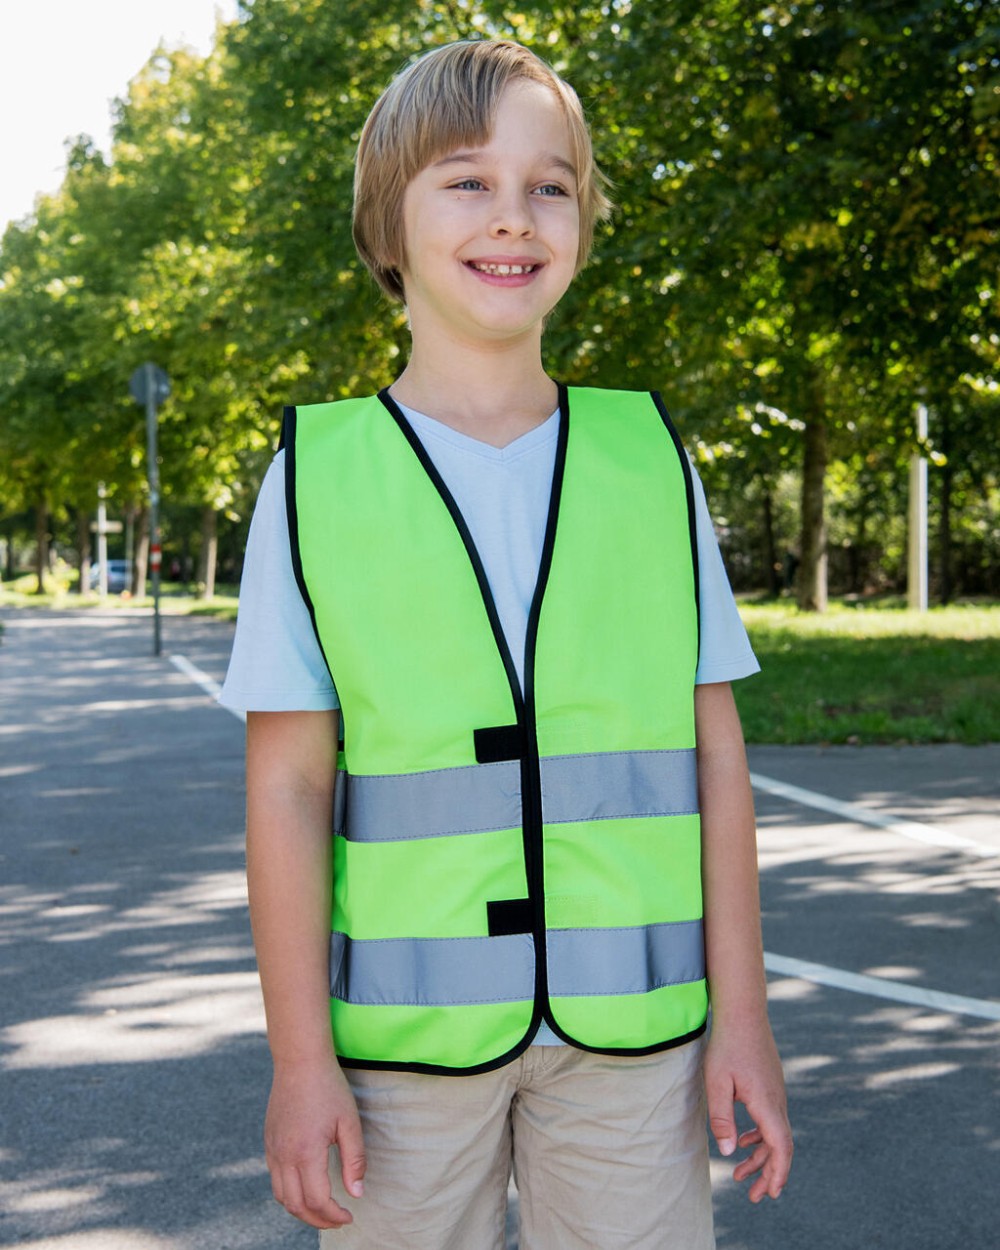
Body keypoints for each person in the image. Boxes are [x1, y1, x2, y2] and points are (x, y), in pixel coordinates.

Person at [220, 38, 792, 1249]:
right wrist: (298, 1060)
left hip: (636, 1033)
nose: (514, 217)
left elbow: (715, 756)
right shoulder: (316, 479)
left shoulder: (649, 463)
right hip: (401, 1048)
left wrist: (743, 1014)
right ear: (388, 224)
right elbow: (287, 786)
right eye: (467, 181)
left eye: (550, 186)